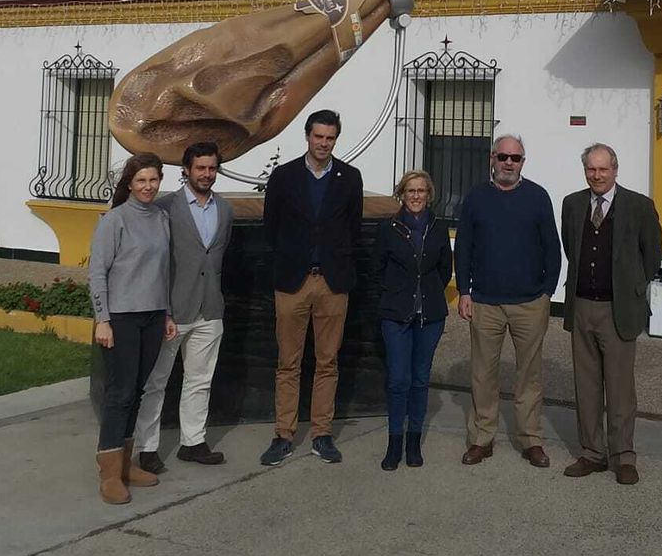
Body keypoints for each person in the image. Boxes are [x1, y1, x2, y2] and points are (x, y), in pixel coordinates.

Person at [260, 109, 364, 466]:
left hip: (332, 282)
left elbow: (353, 228)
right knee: (288, 362)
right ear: (307, 136)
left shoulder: (349, 178)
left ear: (336, 139)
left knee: (327, 362)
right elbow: (271, 227)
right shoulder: (284, 176)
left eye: (330, 138)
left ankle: (322, 434)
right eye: (318, 136)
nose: (323, 143)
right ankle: (283, 435)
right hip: (293, 281)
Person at [454, 133, 561, 468]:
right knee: (482, 374)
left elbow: (552, 247)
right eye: (503, 157)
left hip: (529, 303)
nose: (509, 163)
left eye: (515, 158)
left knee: (529, 375)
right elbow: (464, 247)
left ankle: (531, 440)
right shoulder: (476, 197)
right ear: (492, 159)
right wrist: (464, 291)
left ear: (523, 162)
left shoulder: (537, 197)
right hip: (485, 302)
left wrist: (547, 293)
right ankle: (481, 439)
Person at [559, 143, 662, 486]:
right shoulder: (573, 204)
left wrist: (633, 287)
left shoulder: (638, 206)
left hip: (618, 309)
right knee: (586, 385)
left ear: (615, 170)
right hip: (582, 305)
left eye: (603, 169)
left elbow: (652, 255)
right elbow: (571, 248)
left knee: (620, 388)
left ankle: (623, 456)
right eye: (591, 169)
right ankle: (592, 452)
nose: (597, 175)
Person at [133, 141, 235, 473]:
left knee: (200, 380)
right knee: (156, 382)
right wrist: (162, 310)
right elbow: (154, 263)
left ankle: (193, 442)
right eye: (200, 168)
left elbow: (215, 256)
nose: (206, 174)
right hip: (172, 311)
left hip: (210, 309)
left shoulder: (225, 209)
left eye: (212, 168)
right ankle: (147, 448)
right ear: (186, 171)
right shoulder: (164, 208)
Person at [89, 152, 177, 504]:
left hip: (153, 317)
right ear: (129, 183)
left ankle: (126, 463)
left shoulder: (161, 218)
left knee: (137, 391)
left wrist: (167, 314)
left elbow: (163, 271)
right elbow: (97, 272)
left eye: (153, 180)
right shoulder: (115, 220)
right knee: (120, 394)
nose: (148, 186)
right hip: (121, 318)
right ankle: (109, 471)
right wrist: (103, 319)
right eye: (141, 180)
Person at [375, 170, 453, 470]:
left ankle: (413, 442)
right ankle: (394, 441)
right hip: (396, 315)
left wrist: (428, 294)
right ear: (402, 194)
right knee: (399, 380)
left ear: (429, 195)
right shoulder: (388, 228)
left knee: (420, 380)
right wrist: (394, 295)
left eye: (421, 191)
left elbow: (445, 269)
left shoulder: (438, 228)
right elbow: (377, 269)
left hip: (429, 317)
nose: (416, 196)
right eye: (411, 191)